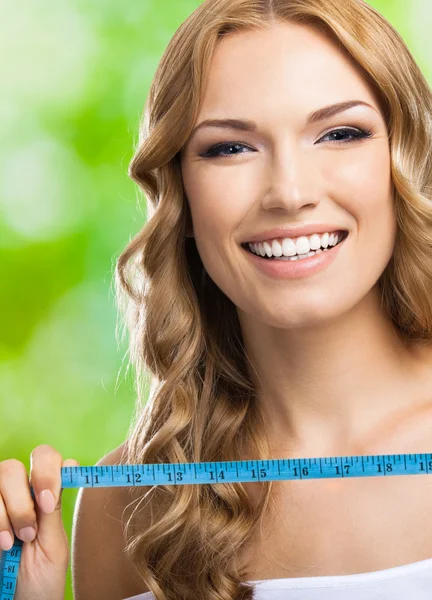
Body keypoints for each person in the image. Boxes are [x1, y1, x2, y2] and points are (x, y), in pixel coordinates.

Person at [1, 0, 432, 598]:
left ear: (403, 162)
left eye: (340, 133)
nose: (289, 192)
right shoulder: (128, 503)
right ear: (180, 196)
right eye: (230, 148)